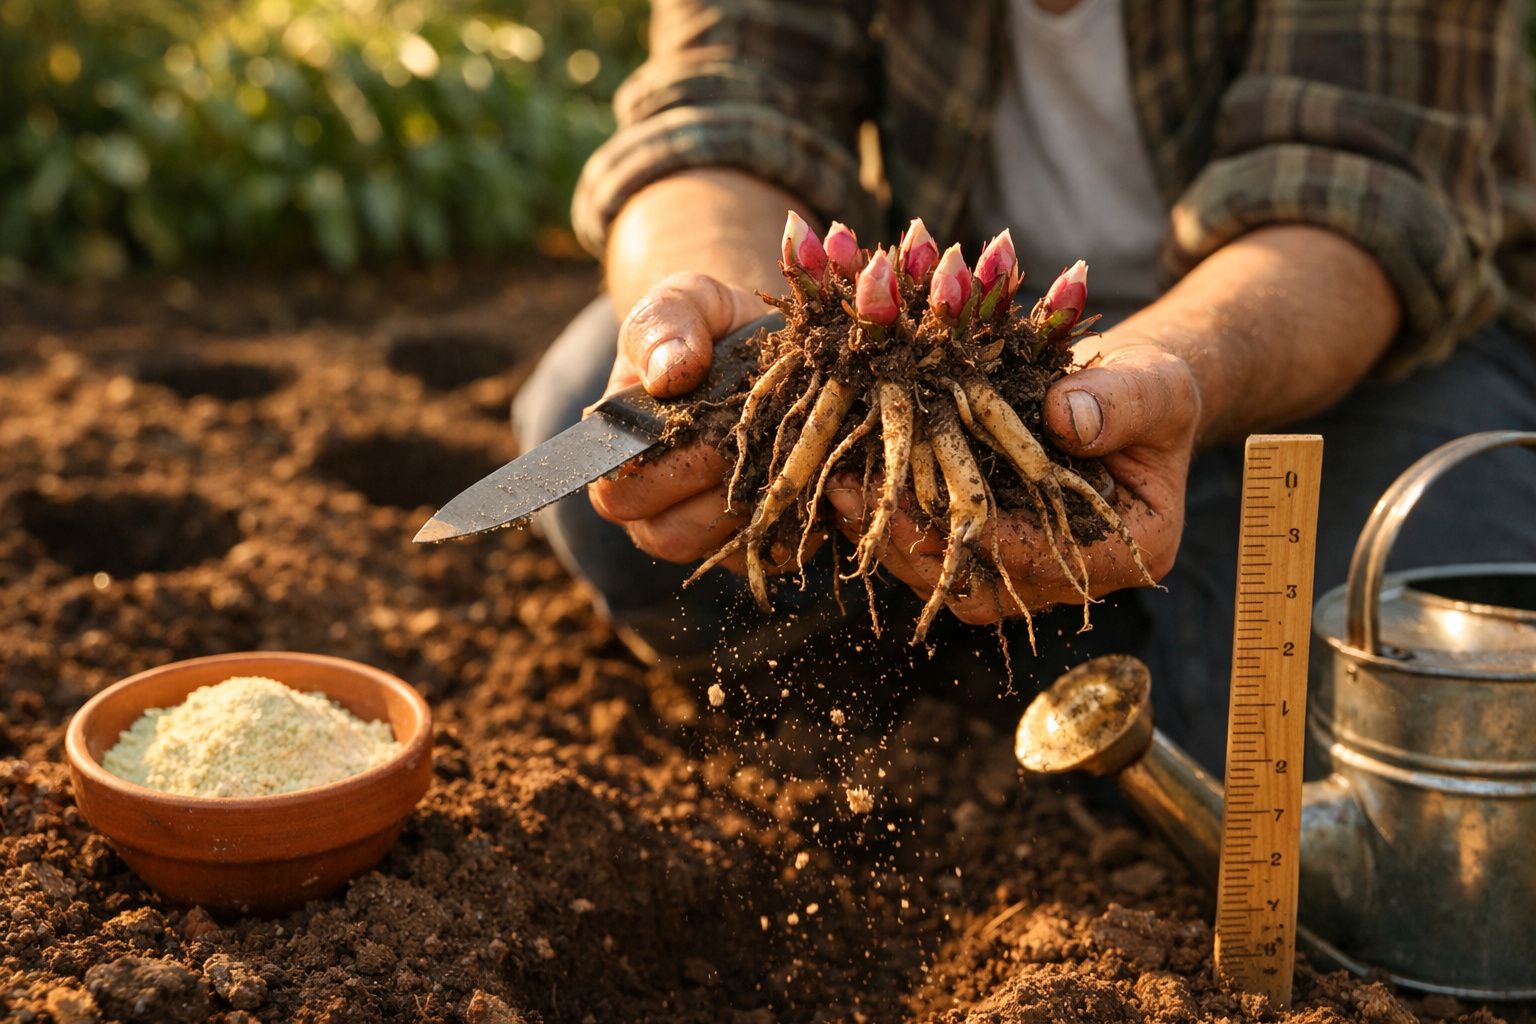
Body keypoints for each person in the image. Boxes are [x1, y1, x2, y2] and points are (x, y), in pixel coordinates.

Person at [514, 0, 1536, 769]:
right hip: (942, 338)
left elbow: (1358, 199)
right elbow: (723, 108)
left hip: (1295, 344)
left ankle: (1047, 660)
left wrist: (1160, 373)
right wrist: (739, 352)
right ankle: (937, 680)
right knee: (607, 434)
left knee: (1400, 694)